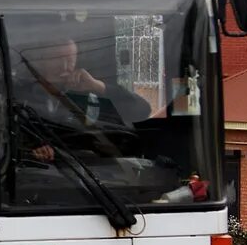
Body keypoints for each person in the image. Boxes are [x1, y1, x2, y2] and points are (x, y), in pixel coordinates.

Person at [14, 36, 151, 162]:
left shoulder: (88, 94)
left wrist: (98, 86)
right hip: (41, 173)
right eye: (57, 59)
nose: (65, 67)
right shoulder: (20, 93)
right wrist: (33, 149)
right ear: (41, 61)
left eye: (70, 60)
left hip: (91, 171)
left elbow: (142, 111)